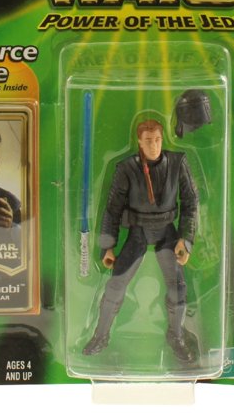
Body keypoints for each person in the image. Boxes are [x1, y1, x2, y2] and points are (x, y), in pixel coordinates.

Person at [83, 119, 199, 362]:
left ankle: (176, 335)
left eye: (157, 140)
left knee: (178, 288)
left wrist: (186, 240)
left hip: (167, 232)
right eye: (148, 141)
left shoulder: (177, 163)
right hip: (138, 232)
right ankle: (100, 336)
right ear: (139, 142)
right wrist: (107, 246)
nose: (154, 146)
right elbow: (112, 209)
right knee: (115, 286)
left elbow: (191, 202)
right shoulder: (126, 168)